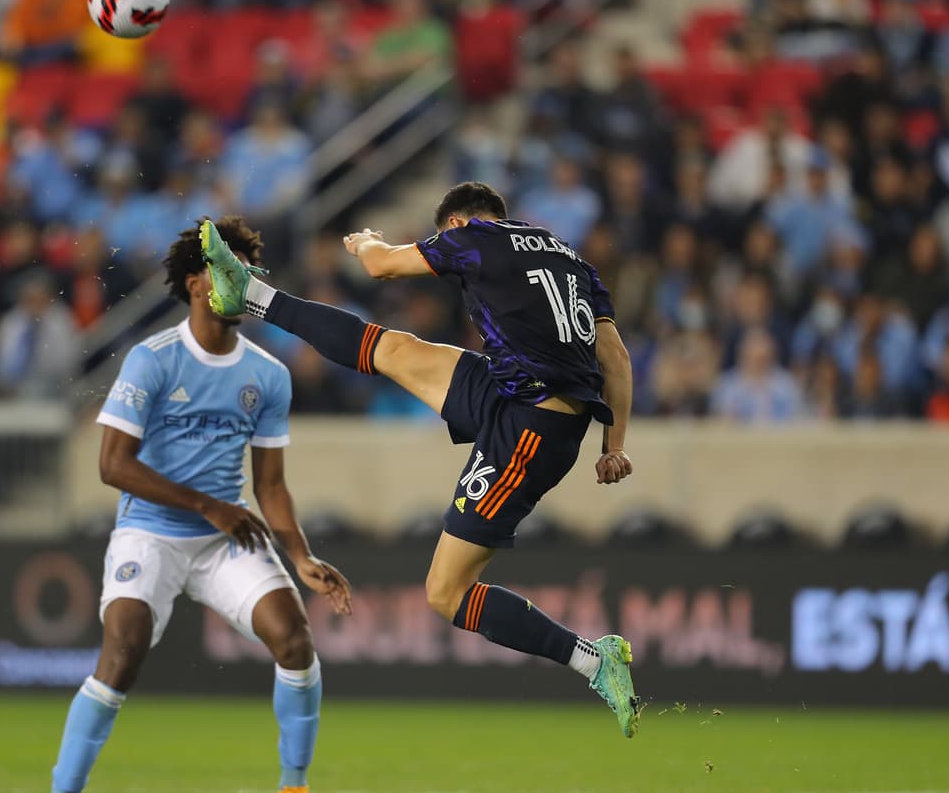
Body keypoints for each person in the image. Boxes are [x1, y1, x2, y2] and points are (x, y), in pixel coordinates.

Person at [199, 182, 642, 737]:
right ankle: (251, 294)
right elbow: (616, 357)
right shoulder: (569, 258)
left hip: (532, 429)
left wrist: (366, 242)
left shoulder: (472, 239)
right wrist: (615, 445)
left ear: (456, 223)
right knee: (394, 349)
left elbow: (382, 267)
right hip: (516, 392)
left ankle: (593, 659)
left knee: (445, 592)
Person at [50, 219, 351, 793]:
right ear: (194, 282)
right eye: (227, 270)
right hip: (152, 530)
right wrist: (208, 506)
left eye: (248, 272)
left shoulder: (268, 374)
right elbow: (112, 465)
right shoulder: (153, 359)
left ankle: (293, 785)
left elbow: (271, 486)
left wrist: (300, 556)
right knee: (122, 651)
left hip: (224, 540)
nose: (241, 280)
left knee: (294, 639)